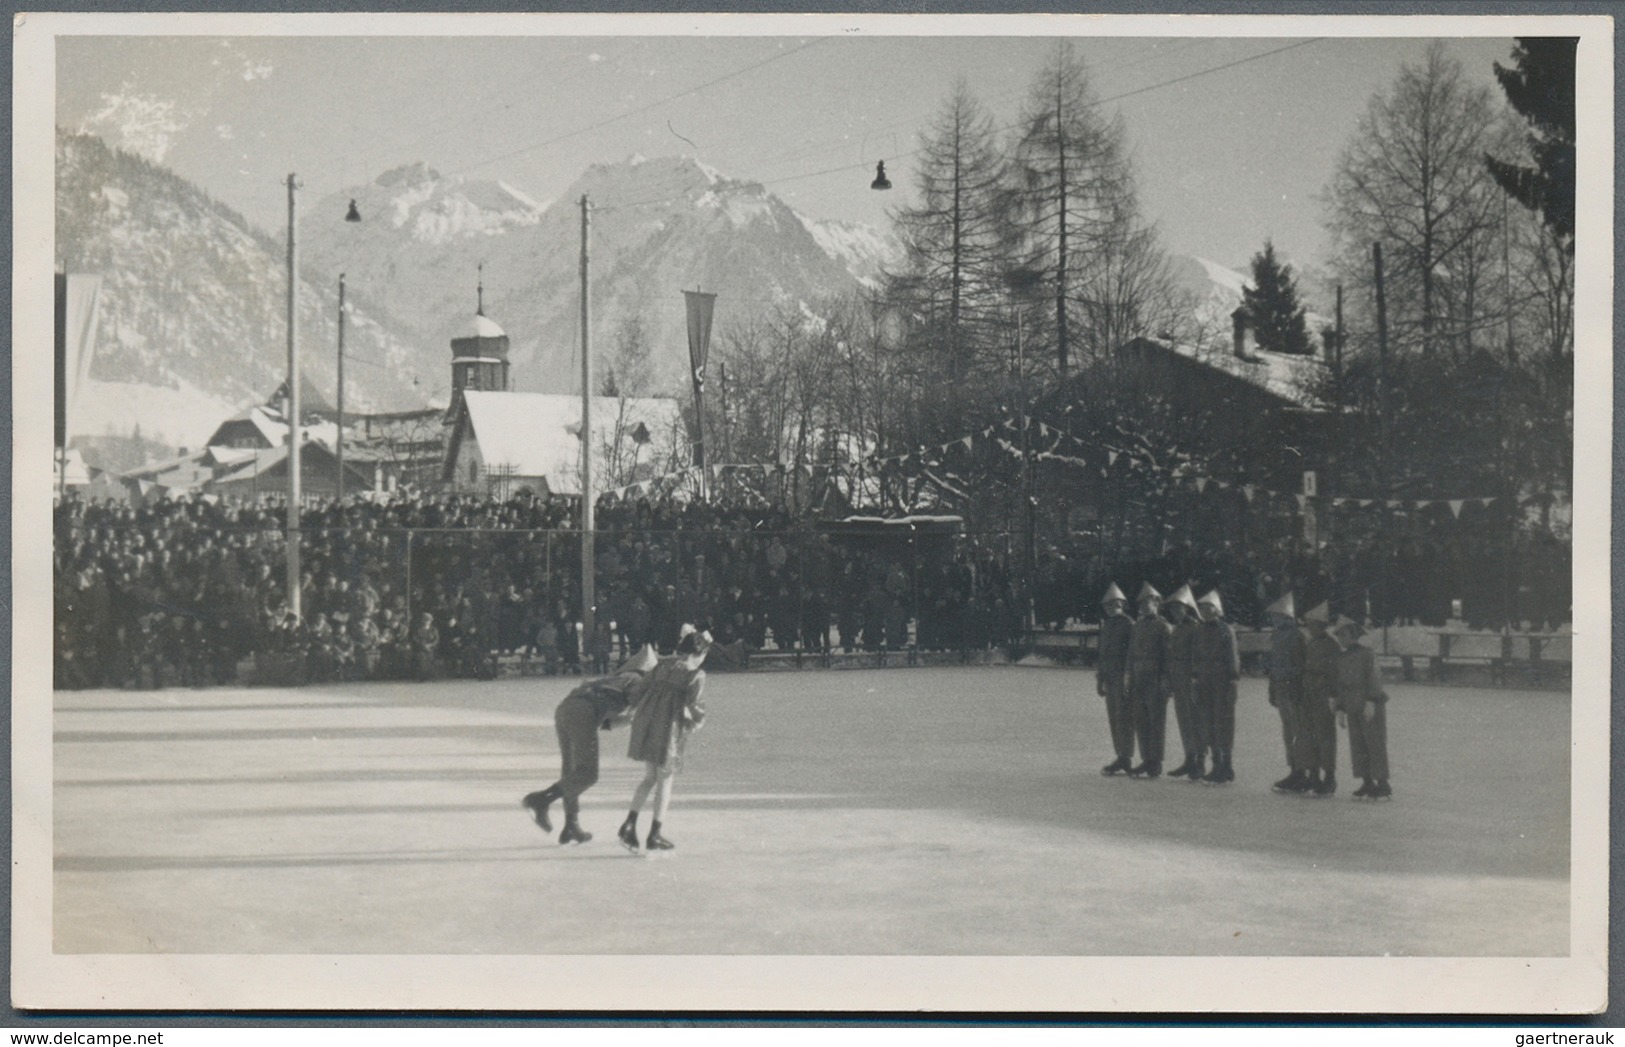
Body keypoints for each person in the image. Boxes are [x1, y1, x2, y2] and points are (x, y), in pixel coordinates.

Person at [521, 644, 659, 845]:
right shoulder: (637, 680)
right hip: (583, 712)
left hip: (566, 708)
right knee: (587, 774)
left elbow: (605, 720)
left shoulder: (614, 679)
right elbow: (636, 701)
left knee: (572, 773)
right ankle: (541, 800)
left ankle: (571, 824)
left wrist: (627, 720)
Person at [617, 625, 712, 852]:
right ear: (699, 654)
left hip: (646, 723)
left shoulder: (662, 664)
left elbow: (639, 691)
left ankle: (629, 825)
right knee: (665, 780)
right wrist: (697, 721)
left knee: (650, 777)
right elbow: (694, 705)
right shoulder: (695, 674)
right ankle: (654, 834)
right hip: (667, 729)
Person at [1332, 616, 1391, 801]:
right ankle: (1366, 781)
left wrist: (1372, 700)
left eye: (1344, 634)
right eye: (1339, 635)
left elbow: (1374, 678)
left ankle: (1382, 783)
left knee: (1374, 743)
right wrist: (1340, 707)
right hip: (1352, 705)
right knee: (1358, 744)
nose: (1340, 638)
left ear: (1353, 635)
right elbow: (1340, 684)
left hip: (1367, 705)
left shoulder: (1367, 654)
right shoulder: (1341, 658)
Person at [1265, 593, 1311, 794]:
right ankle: (1294, 769)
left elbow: (1303, 664)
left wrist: (1297, 685)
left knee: (1298, 731)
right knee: (1288, 731)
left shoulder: (1298, 635)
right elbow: (1273, 665)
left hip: (1294, 688)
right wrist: (1273, 687)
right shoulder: (1276, 636)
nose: (1273, 619)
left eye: (1277, 615)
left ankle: (1302, 770)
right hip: (1282, 688)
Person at [1193, 588, 1240, 784]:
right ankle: (1216, 763)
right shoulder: (1200, 630)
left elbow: (1233, 657)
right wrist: (1195, 679)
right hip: (1204, 680)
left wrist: (1233, 681)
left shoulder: (1225, 630)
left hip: (1221, 681)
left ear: (1217, 609)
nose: (1204, 610)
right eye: (1202, 607)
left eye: (1208, 607)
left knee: (1223, 722)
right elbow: (1196, 656)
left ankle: (1225, 764)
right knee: (1208, 722)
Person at [1126, 583, 1173, 779]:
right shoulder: (1137, 627)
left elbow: (1169, 656)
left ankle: (1155, 761)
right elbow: (1131, 654)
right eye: (1142, 603)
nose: (1145, 606)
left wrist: (1165, 680)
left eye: (1149, 602)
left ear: (1157, 603)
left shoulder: (1163, 627)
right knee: (1141, 720)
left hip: (1155, 679)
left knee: (1156, 721)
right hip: (1138, 678)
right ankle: (1146, 758)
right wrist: (1129, 677)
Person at [1164, 584, 1203, 779]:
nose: (1175, 611)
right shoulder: (1176, 629)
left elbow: (1198, 654)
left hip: (1190, 678)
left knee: (1194, 719)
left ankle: (1198, 761)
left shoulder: (1194, 628)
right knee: (1183, 719)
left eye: (1178, 608)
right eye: (1172, 609)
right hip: (1178, 677)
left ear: (1187, 608)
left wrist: (1195, 677)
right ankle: (1189, 757)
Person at [1300, 602, 1340, 796]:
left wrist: (1333, 695)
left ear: (1321, 625)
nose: (1308, 628)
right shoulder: (1310, 642)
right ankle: (1313, 774)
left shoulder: (1331, 645)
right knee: (1309, 734)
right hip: (1309, 692)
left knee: (1325, 736)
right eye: (1308, 624)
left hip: (1323, 693)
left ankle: (1329, 776)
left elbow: (1335, 672)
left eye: (1312, 624)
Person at [1096, 583, 1135, 776]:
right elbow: (1102, 654)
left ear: (1122, 604)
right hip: (1109, 676)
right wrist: (1100, 678)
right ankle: (1120, 754)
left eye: (1115, 604)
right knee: (1114, 716)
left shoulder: (1128, 624)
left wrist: (1128, 676)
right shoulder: (1107, 625)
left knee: (1124, 717)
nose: (1112, 608)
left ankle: (1126, 755)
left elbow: (1132, 652)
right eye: (1108, 605)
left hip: (1122, 676)